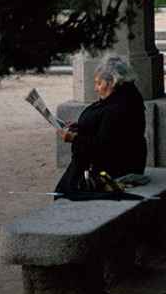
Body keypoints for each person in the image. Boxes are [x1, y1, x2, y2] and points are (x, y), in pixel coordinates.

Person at [54, 54, 147, 198]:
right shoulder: (125, 96)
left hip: (116, 168)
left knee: (65, 192)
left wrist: (74, 138)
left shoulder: (119, 107)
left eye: (99, 83)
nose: (96, 88)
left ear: (112, 83)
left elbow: (105, 145)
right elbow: (107, 131)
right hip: (126, 163)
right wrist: (81, 127)